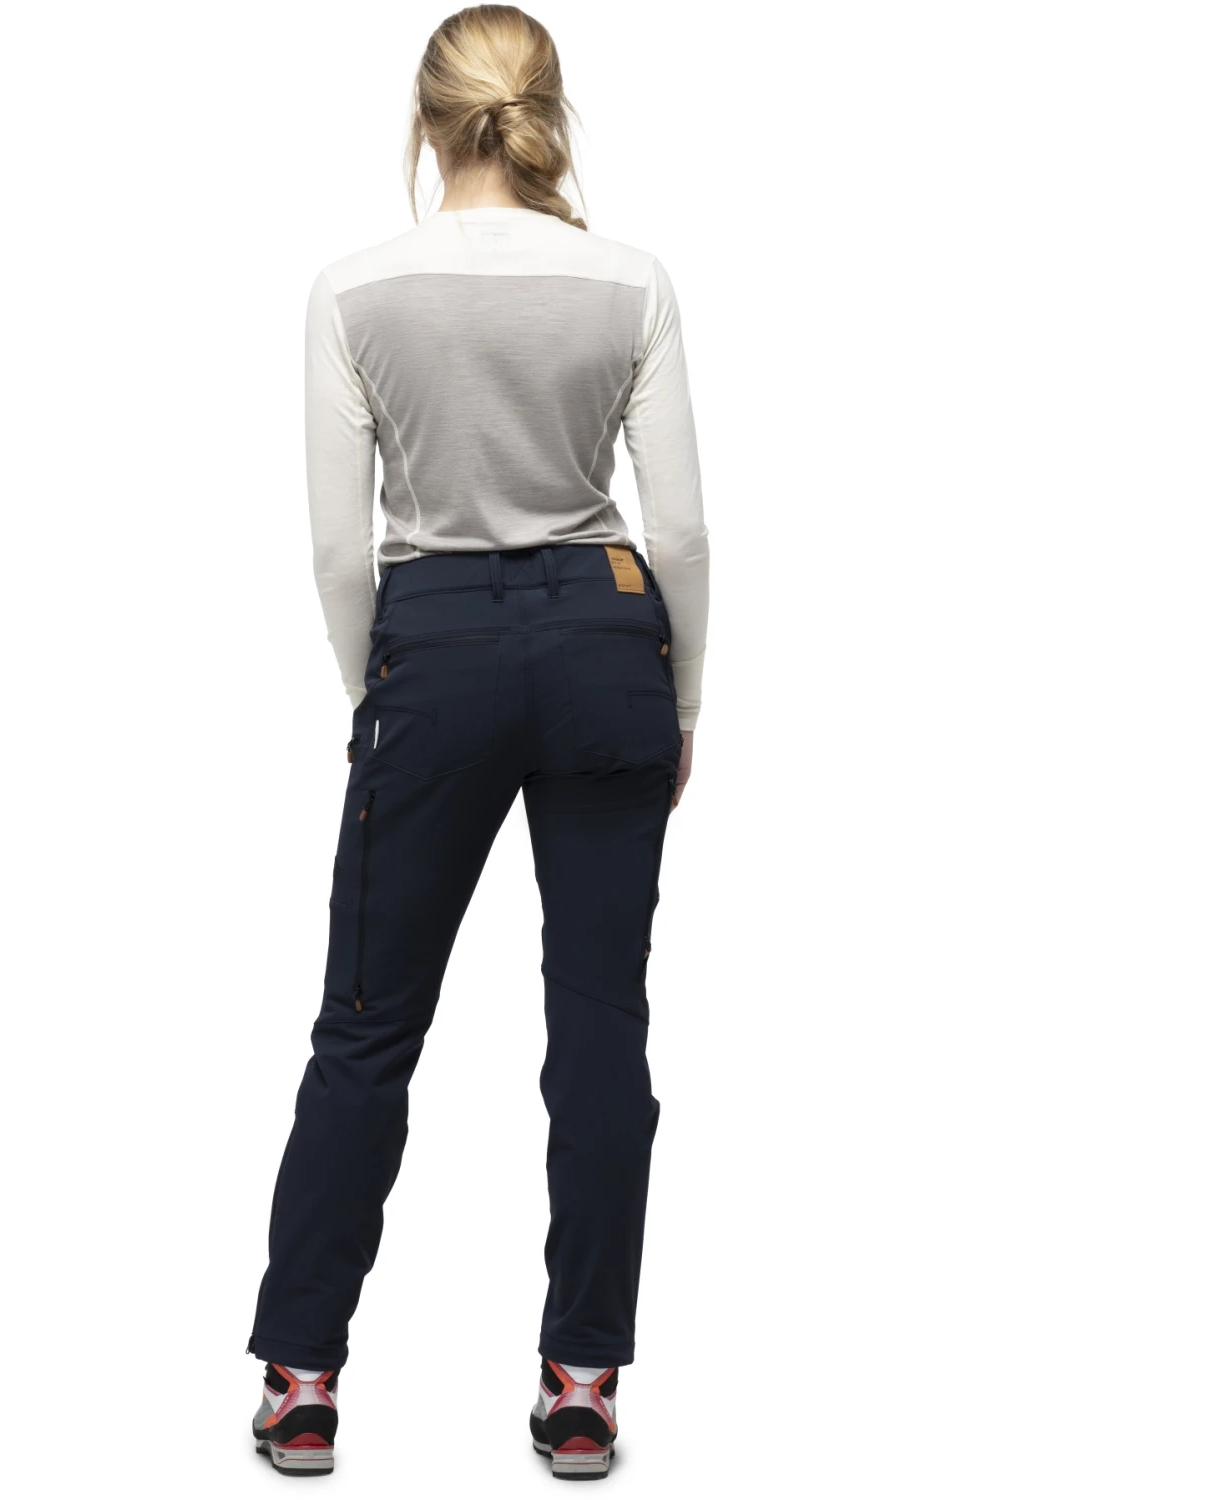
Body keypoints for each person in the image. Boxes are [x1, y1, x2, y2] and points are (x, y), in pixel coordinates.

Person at [248, 5, 708, 1479]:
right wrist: (681, 702)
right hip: (607, 639)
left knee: (367, 1025)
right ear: (546, 114)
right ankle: (583, 1385)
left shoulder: (354, 292)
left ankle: (302, 1379)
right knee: (602, 1026)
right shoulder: (629, 282)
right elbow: (682, 532)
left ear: (426, 118)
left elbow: (341, 550)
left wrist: (375, 699)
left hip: (432, 642)